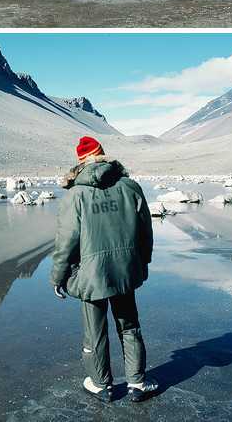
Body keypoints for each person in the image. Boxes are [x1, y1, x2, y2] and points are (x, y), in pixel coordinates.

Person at [51, 136, 158, 404]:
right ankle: (137, 383)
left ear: (80, 162)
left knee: (94, 331)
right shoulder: (129, 187)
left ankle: (101, 385)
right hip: (126, 270)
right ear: (104, 155)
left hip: (90, 274)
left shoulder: (76, 195)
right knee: (129, 325)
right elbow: (146, 230)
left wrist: (58, 277)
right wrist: (142, 262)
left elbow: (66, 241)